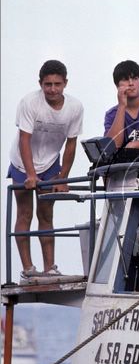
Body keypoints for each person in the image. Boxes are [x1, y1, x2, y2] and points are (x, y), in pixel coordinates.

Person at [8, 60, 84, 282]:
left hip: (51, 161)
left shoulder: (75, 107)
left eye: (57, 84)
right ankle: (28, 268)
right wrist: (30, 174)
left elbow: (71, 144)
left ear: (65, 83)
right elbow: (24, 139)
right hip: (23, 161)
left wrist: (63, 177)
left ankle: (50, 267)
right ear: (40, 83)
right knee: (24, 212)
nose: (52, 89)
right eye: (47, 84)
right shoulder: (30, 102)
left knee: (46, 213)